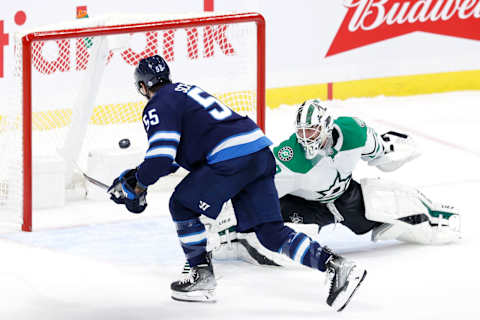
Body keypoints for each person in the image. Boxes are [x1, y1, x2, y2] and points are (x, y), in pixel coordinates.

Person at [107, 55, 367, 311]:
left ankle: (201, 276)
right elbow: (182, 152)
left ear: (142, 86)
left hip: (230, 160)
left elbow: (161, 157)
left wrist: (138, 186)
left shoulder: (158, 104)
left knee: (181, 205)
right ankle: (336, 265)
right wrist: (139, 173)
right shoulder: (186, 92)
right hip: (258, 152)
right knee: (270, 233)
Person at [208, 99, 461, 265]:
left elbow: (381, 152)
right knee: (283, 249)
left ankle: (434, 218)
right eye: (302, 132)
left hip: (343, 196)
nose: (306, 138)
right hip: (302, 205)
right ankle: (240, 240)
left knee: (387, 205)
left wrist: (396, 152)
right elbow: (259, 188)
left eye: (312, 131)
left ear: (327, 126)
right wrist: (226, 212)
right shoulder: (292, 157)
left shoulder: (353, 132)